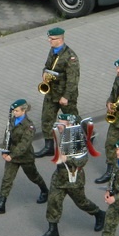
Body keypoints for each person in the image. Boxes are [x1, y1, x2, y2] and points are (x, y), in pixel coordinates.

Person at [38, 114, 105, 236]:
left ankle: (99, 214)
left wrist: (67, 159)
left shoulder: (77, 138)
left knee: (82, 202)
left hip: (73, 177)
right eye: (58, 122)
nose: (58, 125)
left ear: (69, 124)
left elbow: (83, 160)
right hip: (59, 176)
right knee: (53, 201)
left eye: (61, 123)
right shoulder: (60, 134)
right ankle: (53, 230)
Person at [0, 99, 49, 215]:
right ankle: (1, 204)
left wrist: (12, 155)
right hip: (11, 155)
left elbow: (24, 145)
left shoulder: (29, 126)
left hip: (25, 157)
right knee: (7, 179)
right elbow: (7, 136)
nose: (14, 113)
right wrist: (4, 151)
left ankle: (45, 191)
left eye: (16, 111)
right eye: (13, 111)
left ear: (24, 111)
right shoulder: (12, 120)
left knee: (33, 176)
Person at [35, 28, 80, 157]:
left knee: (72, 119)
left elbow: (73, 80)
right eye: (49, 38)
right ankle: (49, 147)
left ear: (60, 39)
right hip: (52, 92)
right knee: (47, 118)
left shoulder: (70, 57)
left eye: (52, 39)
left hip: (65, 94)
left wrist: (66, 97)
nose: (49, 40)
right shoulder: (53, 51)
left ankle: (84, 138)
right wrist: (44, 72)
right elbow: (48, 66)